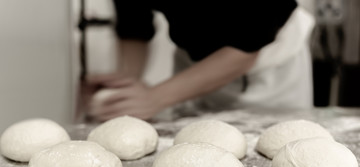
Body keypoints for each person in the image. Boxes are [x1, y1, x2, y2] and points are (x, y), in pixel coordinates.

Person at [86, 1, 315, 121]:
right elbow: (134, 27)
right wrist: (127, 86)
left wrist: (154, 97)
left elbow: (246, 47)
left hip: (271, 68)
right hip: (192, 64)